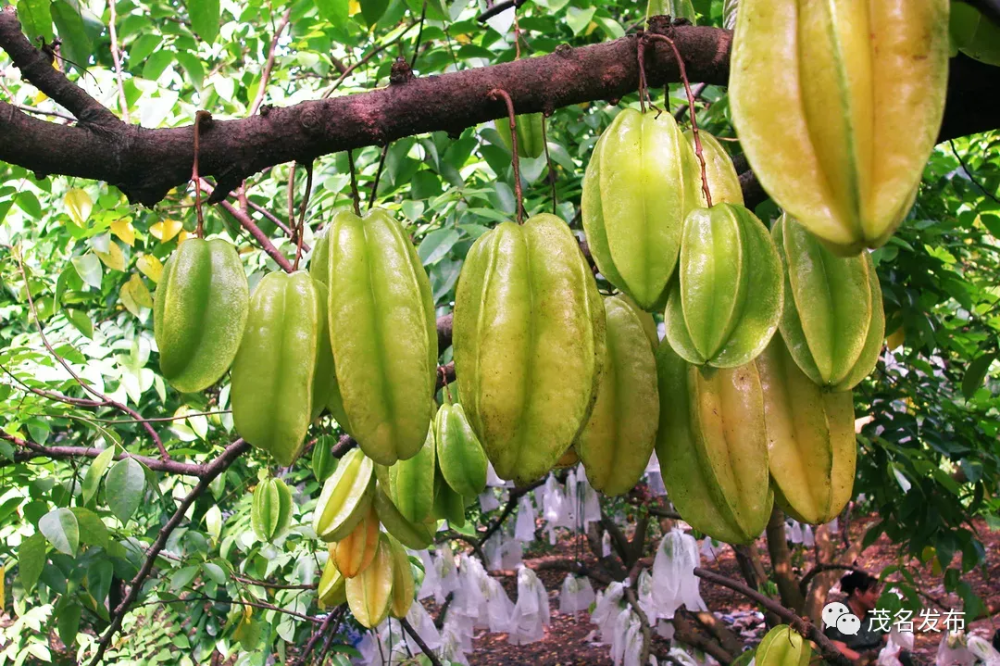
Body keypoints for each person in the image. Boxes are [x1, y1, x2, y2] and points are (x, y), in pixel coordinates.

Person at [825, 571, 890, 664]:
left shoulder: (876, 612)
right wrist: (866, 660)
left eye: (878, 592)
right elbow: (838, 648)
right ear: (858, 592)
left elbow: (889, 638)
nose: (877, 596)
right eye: (873, 592)